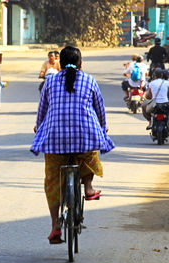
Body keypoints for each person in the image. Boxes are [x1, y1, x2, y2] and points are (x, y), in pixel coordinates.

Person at [31, 46, 115, 244]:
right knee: (89, 154)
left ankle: (55, 227)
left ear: (60, 63)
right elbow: (99, 108)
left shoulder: (50, 81)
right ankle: (88, 187)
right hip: (84, 139)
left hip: (55, 142)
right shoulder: (89, 80)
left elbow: (41, 112)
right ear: (81, 64)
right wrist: (102, 128)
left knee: (52, 182)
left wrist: (38, 127)